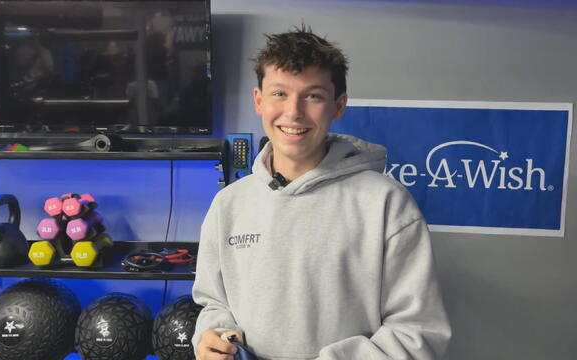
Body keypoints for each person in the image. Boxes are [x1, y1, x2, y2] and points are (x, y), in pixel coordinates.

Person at [192, 25, 451, 360]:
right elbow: (214, 303)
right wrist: (214, 337)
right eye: (279, 94)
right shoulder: (229, 204)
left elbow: (418, 332)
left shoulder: (386, 204)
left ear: (338, 105)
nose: (293, 112)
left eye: (312, 95)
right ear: (259, 101)